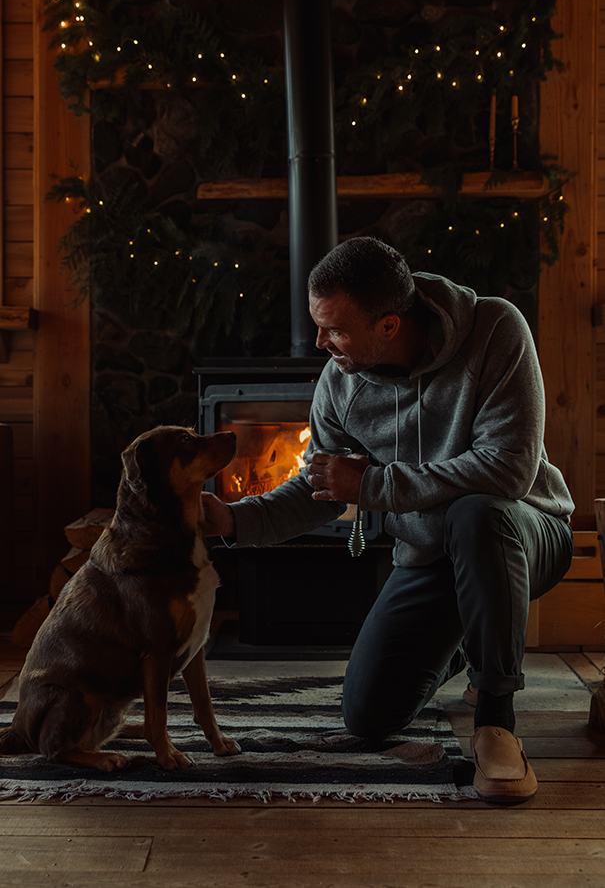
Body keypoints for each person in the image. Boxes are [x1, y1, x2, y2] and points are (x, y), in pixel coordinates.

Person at [202, 236, 574, 804]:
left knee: (477, 513)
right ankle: (470, 641)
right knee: (368, 716)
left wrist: (372, 485)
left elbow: (508, 471)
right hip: (431, 558)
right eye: (317, 326)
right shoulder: (340, 381)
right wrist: (232, 520)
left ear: (390, 326)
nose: (322, 343)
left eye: (336, 331)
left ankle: (495, 721)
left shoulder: (497, 330)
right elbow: (318, 489)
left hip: (523, 534)